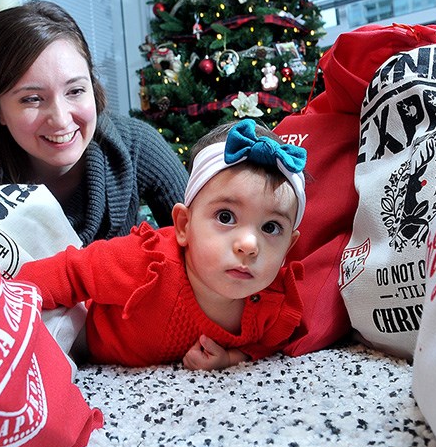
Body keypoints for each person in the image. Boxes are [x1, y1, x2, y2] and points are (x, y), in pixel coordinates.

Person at [16, 119, 307, 370]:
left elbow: (270, 341)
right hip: (80, 331)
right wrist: (6, 294)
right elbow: (71, 271)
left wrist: (232, 357)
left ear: (288, 248)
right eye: (226, 216)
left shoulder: (273, 301)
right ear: (183, 225)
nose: (248, 244)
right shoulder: (146, 261)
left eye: (271, 227)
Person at [0, 0, 188, 246]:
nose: (61, 119)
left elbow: (202, 243)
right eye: (32, 99)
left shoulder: (136, 147)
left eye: (75, 91)